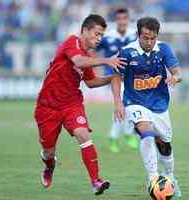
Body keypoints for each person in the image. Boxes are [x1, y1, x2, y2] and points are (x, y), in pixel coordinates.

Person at [34, 14, 126, 195]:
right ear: (85, 31)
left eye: (101, 35)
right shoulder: (72, 42)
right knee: (48, 152)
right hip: (47, 106)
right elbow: (78, 61)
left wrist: (114, 77)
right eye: (97, 34)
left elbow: (91, 83)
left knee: (83, 135)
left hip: (71, 104)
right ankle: (49, 165)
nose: (99, 39)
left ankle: (96, 181)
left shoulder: (88, 56)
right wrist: (107, 60)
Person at [111, 16, 182, 197]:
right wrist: (118, 103)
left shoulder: (164, 49)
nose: (149, 42)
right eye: (145, 38)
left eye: (153, 38)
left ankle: (170, 177)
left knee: (164, 144)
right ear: (138, 35)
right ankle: (153, 178)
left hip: (159, 104)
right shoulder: (127, 52)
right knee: (146, 132)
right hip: (134, 103)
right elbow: (116, 78)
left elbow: (177, 71)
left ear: (157, 36)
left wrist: (175, 77)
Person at [97, 8, 138, 153]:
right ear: (116, 20)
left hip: (132, 77)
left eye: (124, 18)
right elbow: (92, 49)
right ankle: (120, 135)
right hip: (114, 77)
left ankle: (122, 134)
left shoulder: (135, 35)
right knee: (123, 105)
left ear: (127, 20)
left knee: (129, 106)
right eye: (119, 19)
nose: (121, 21)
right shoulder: (107, 37)